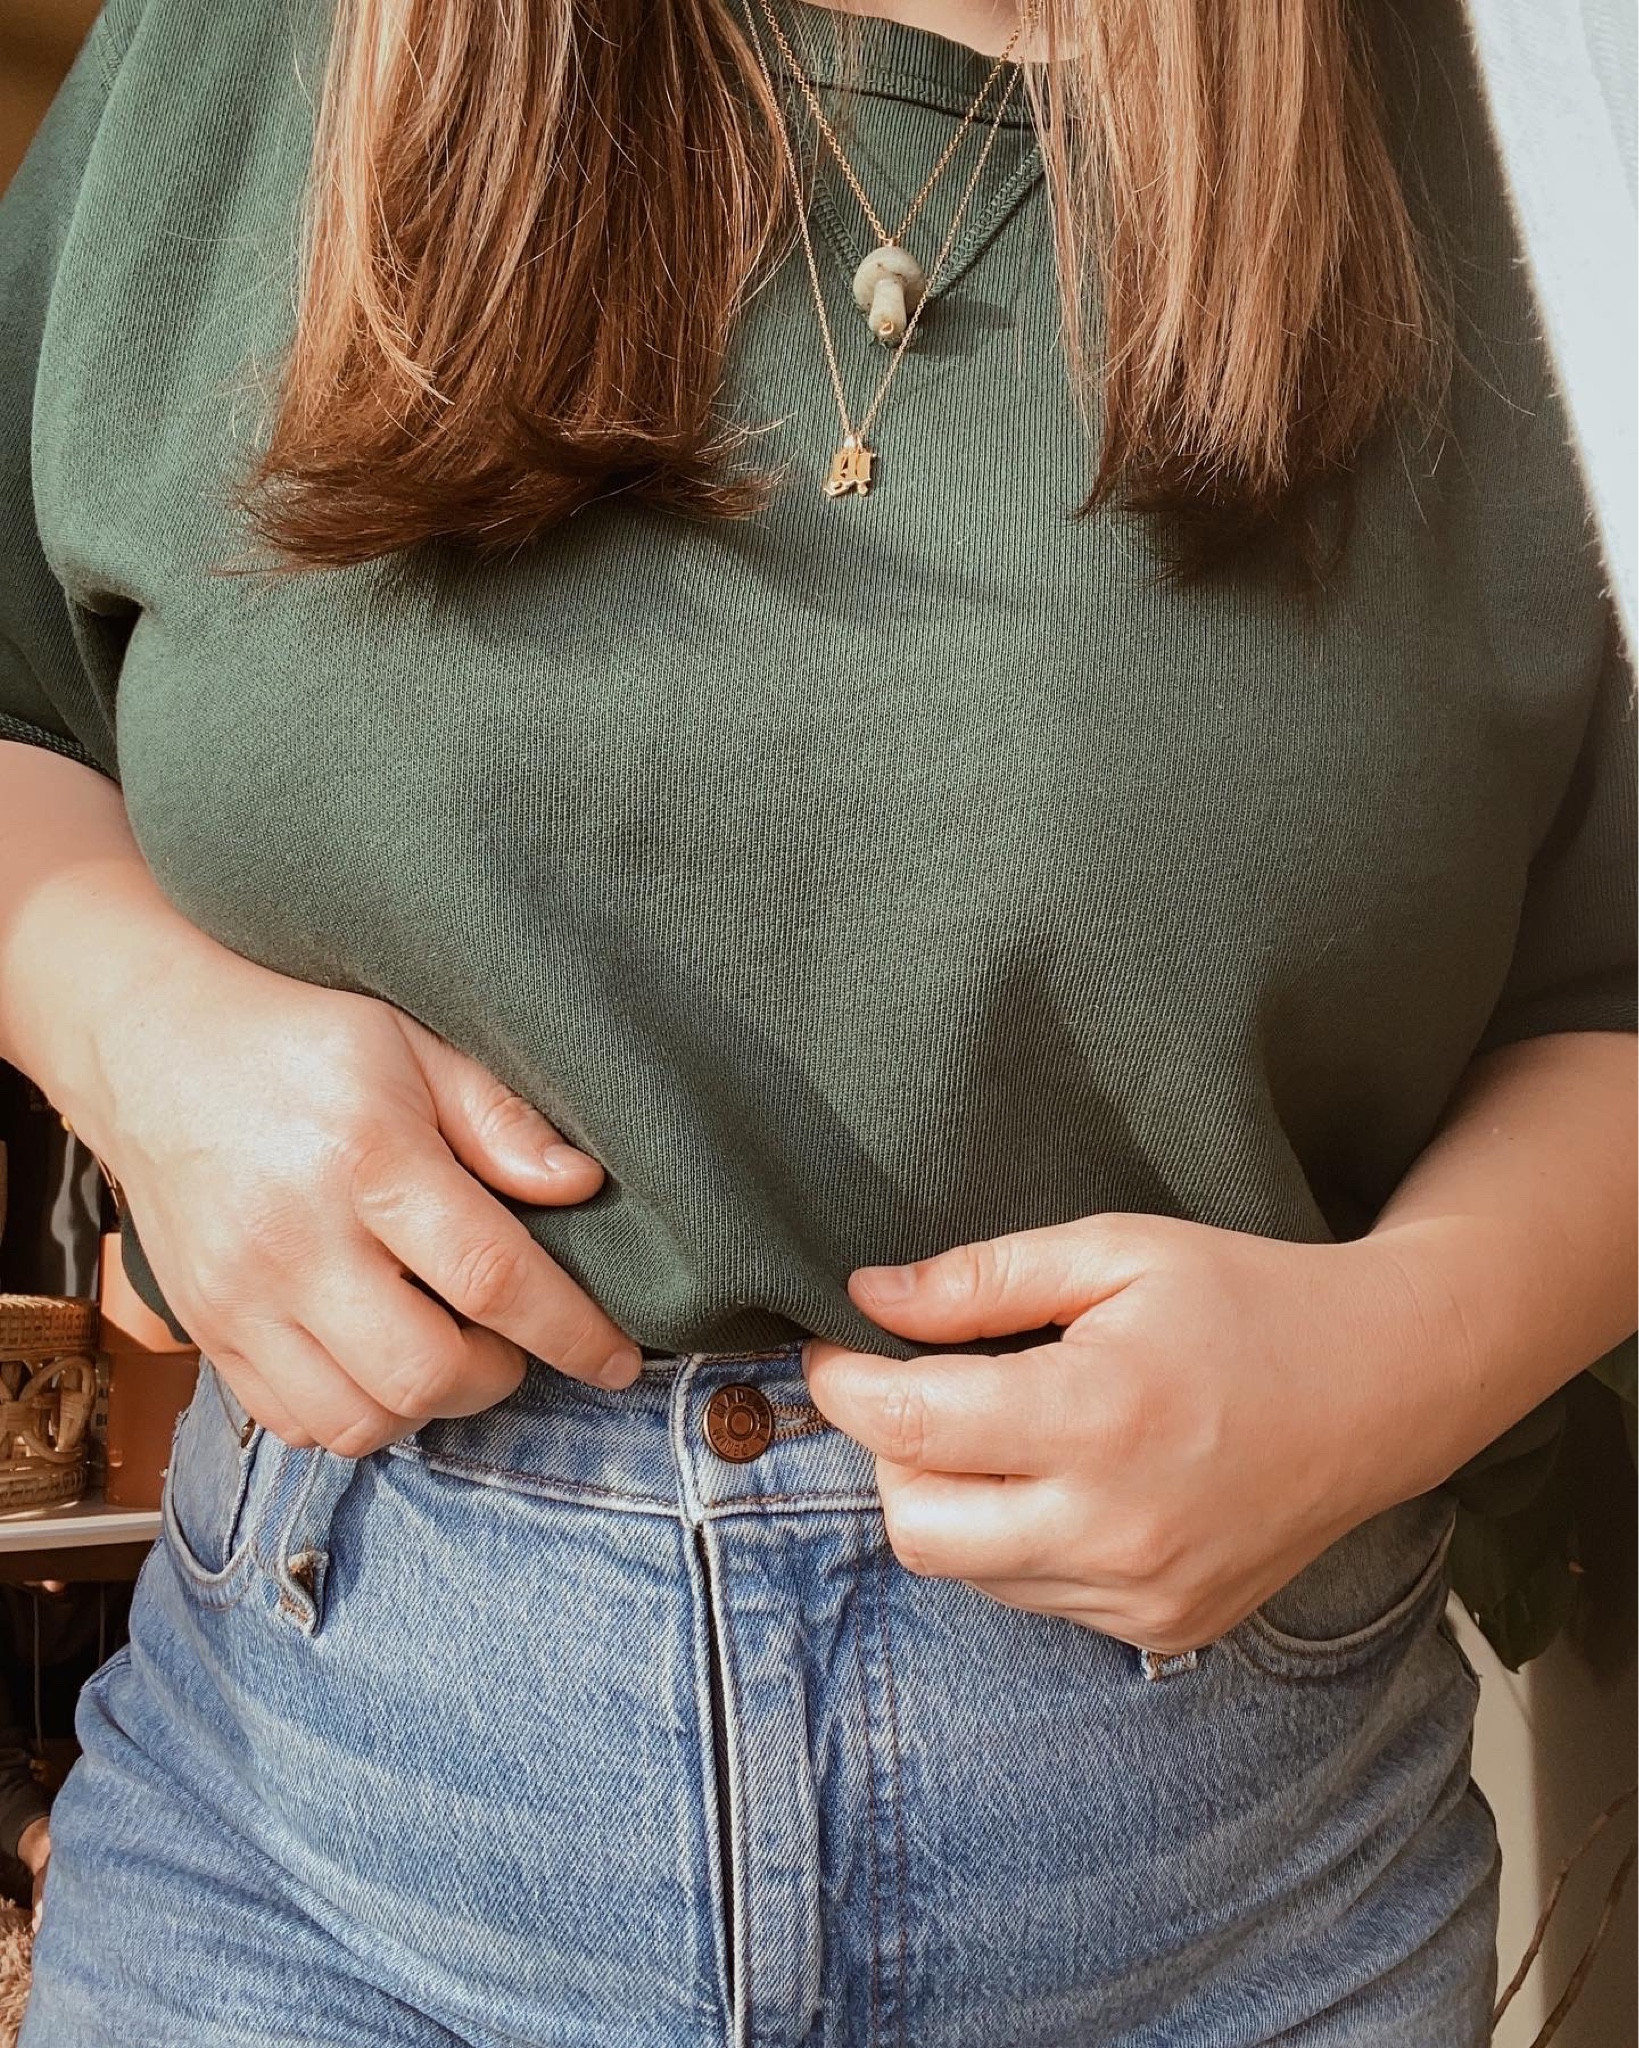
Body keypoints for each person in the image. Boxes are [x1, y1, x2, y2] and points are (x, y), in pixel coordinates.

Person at [0, 0, 1633, 2040]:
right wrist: (120, 1018)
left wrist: (1396, 1358)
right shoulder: (269, 47)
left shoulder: (1532, 105)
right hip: (312, 1856)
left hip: (1220, 1912)